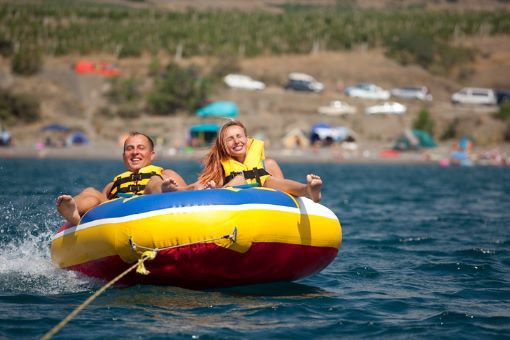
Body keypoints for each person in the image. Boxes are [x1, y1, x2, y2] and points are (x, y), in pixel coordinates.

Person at [56, 132, 187, 225]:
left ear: (152, 155)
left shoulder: (166, 174)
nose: (135, 152)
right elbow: (101, 209)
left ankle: (166, 190)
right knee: (91, 192)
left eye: (141, 148)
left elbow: (189, 200)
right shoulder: (114, 184)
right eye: (130, 149)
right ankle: (73, 209)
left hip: (152, 206)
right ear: (124, 156)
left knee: (154, 181)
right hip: (118, 215)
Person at [197, 120, 322, 202]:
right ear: (223, 145)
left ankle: (307, 190)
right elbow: (201, 187)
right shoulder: (221, 167)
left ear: (247, 139)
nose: (236, 141)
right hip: (237, 202)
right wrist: (213, 188)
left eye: (239, 136)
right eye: (230, 139)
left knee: (268, 178)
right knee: (237, 180)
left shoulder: (268, 165)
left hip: (266, 200)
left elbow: (285, 195)